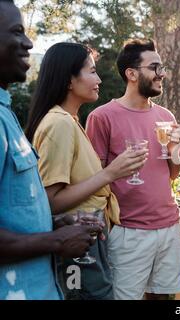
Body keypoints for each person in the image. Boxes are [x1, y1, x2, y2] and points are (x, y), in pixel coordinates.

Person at [24, 42, 148, 300]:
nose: (99, 79)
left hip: (88, 235)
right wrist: (109, 173)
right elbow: (50, 202)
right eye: (92, 71)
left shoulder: (68, 120)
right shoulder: (59, 124)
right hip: (76, 240)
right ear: (70, 80)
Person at [0, 0, 103, 300]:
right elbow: (54, 195)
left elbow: (14, 210)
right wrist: (55, 241)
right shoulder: (58, 123)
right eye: (16, 32)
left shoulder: (7, 115)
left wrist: (53, 223)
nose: (28, 42)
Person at [86, 39, 180, 300]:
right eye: (154, 67)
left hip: (169, 226)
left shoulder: (166, 116)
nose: (161, 73)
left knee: (162, 296)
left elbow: (171, 175)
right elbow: (93, 178)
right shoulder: (102, 117)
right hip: (128, 231)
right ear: (131, 74)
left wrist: (176, 152)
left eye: (162, 67)